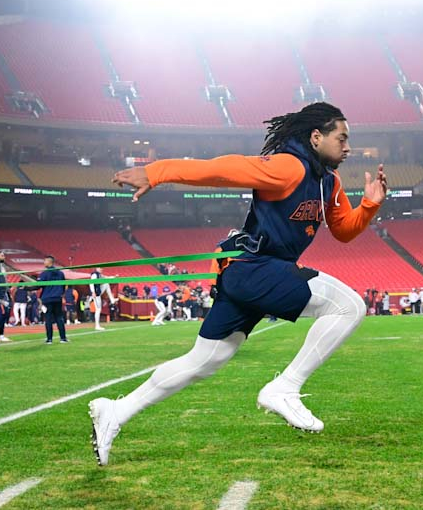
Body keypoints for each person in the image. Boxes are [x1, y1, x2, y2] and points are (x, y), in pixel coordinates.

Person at [89, 102, 386, 465]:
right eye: (341, 138)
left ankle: (115, 412)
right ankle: (285, 387)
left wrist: (368, 206)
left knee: (205, 360)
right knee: (350, 305)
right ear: (316, 136)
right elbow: (223, 170)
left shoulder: (329, 181)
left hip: (253, 273)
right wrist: (156, 171)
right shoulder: (288, 167)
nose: (348, 147)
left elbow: (343, 230)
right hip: (254, 267)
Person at [38, 256, 69, 343]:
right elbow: (63, 285)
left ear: (49, 262)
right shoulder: (60, 273)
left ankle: (49, 339)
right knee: (59, 318)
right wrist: (60, 294)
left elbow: (38, 285)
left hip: (47, 299)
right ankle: (63, 338)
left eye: (45, 261)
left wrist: (26, 288)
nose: (44, 263)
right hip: (57, 298)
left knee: (48, 319)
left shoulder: (44, 274)